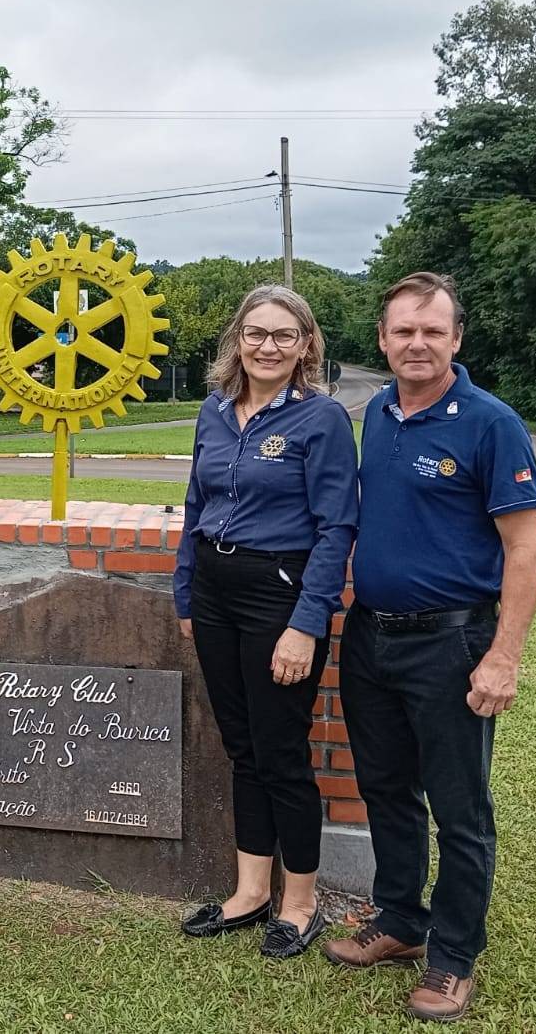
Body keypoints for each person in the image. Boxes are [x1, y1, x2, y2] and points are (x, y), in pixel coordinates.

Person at [323, 273, 536, 1023]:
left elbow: (525, 550)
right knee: (386, 791)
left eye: (433, 331)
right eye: (403, 331)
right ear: (382, 340)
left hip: (453, 642)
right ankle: (399, 922)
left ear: (457, 339)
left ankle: (452, 958)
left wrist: (503, 656)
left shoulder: (491, 424)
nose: (417, 344)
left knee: (460, 809)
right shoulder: (379, 411)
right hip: (371, 636)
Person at [172, 284, 357, 958]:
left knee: (281, 753)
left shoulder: (322, 420)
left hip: (279, 595)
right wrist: (187, 594)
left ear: (306, 345)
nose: (268, 347)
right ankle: (251, 893)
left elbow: (337, 528)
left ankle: (300, 902)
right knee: (243, 747)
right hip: (216, 592)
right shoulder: (214, 413)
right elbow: (196, 505)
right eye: (257, 333)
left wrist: (307, 623)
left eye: (284, 335)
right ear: (237, 339)